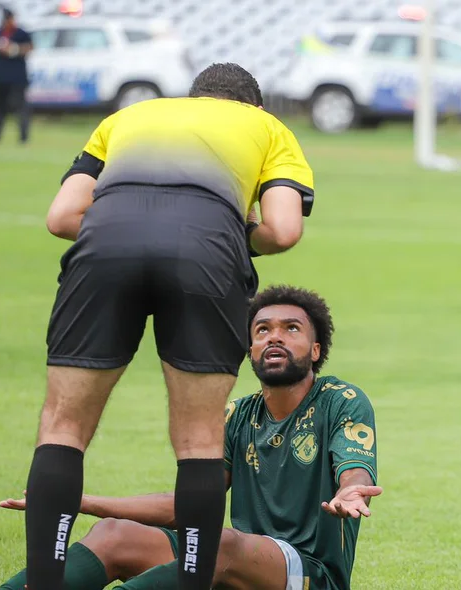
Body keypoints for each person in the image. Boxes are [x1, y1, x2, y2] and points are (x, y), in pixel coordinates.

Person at [27, 63, 313, 590]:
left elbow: (62, 217)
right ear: (254, 107)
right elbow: (284, 228)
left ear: (193, 98)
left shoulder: (130, 115)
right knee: (201, 437)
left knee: (63, 426)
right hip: (208, 249)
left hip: (106, 241)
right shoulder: (269, 129)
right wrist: (227, 231)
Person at [0, 286, 380, 590]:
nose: (274, 338)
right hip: (232, 562)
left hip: (306, 576)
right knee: (116, 536)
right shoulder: (239, 414)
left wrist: (350, 488)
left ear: (316, 350)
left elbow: (353, 468)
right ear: (249, 349)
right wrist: (84, 501)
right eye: (262, 330)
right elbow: (185, 507)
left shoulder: (341, 400)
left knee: (217, 543)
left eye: (291, 329)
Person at [0, 7, 34, 144]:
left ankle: (23, 137)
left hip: (17, 78)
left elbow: (30, 47)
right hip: (0, 78)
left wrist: (14, 49)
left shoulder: (21, 34)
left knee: (20, 108)